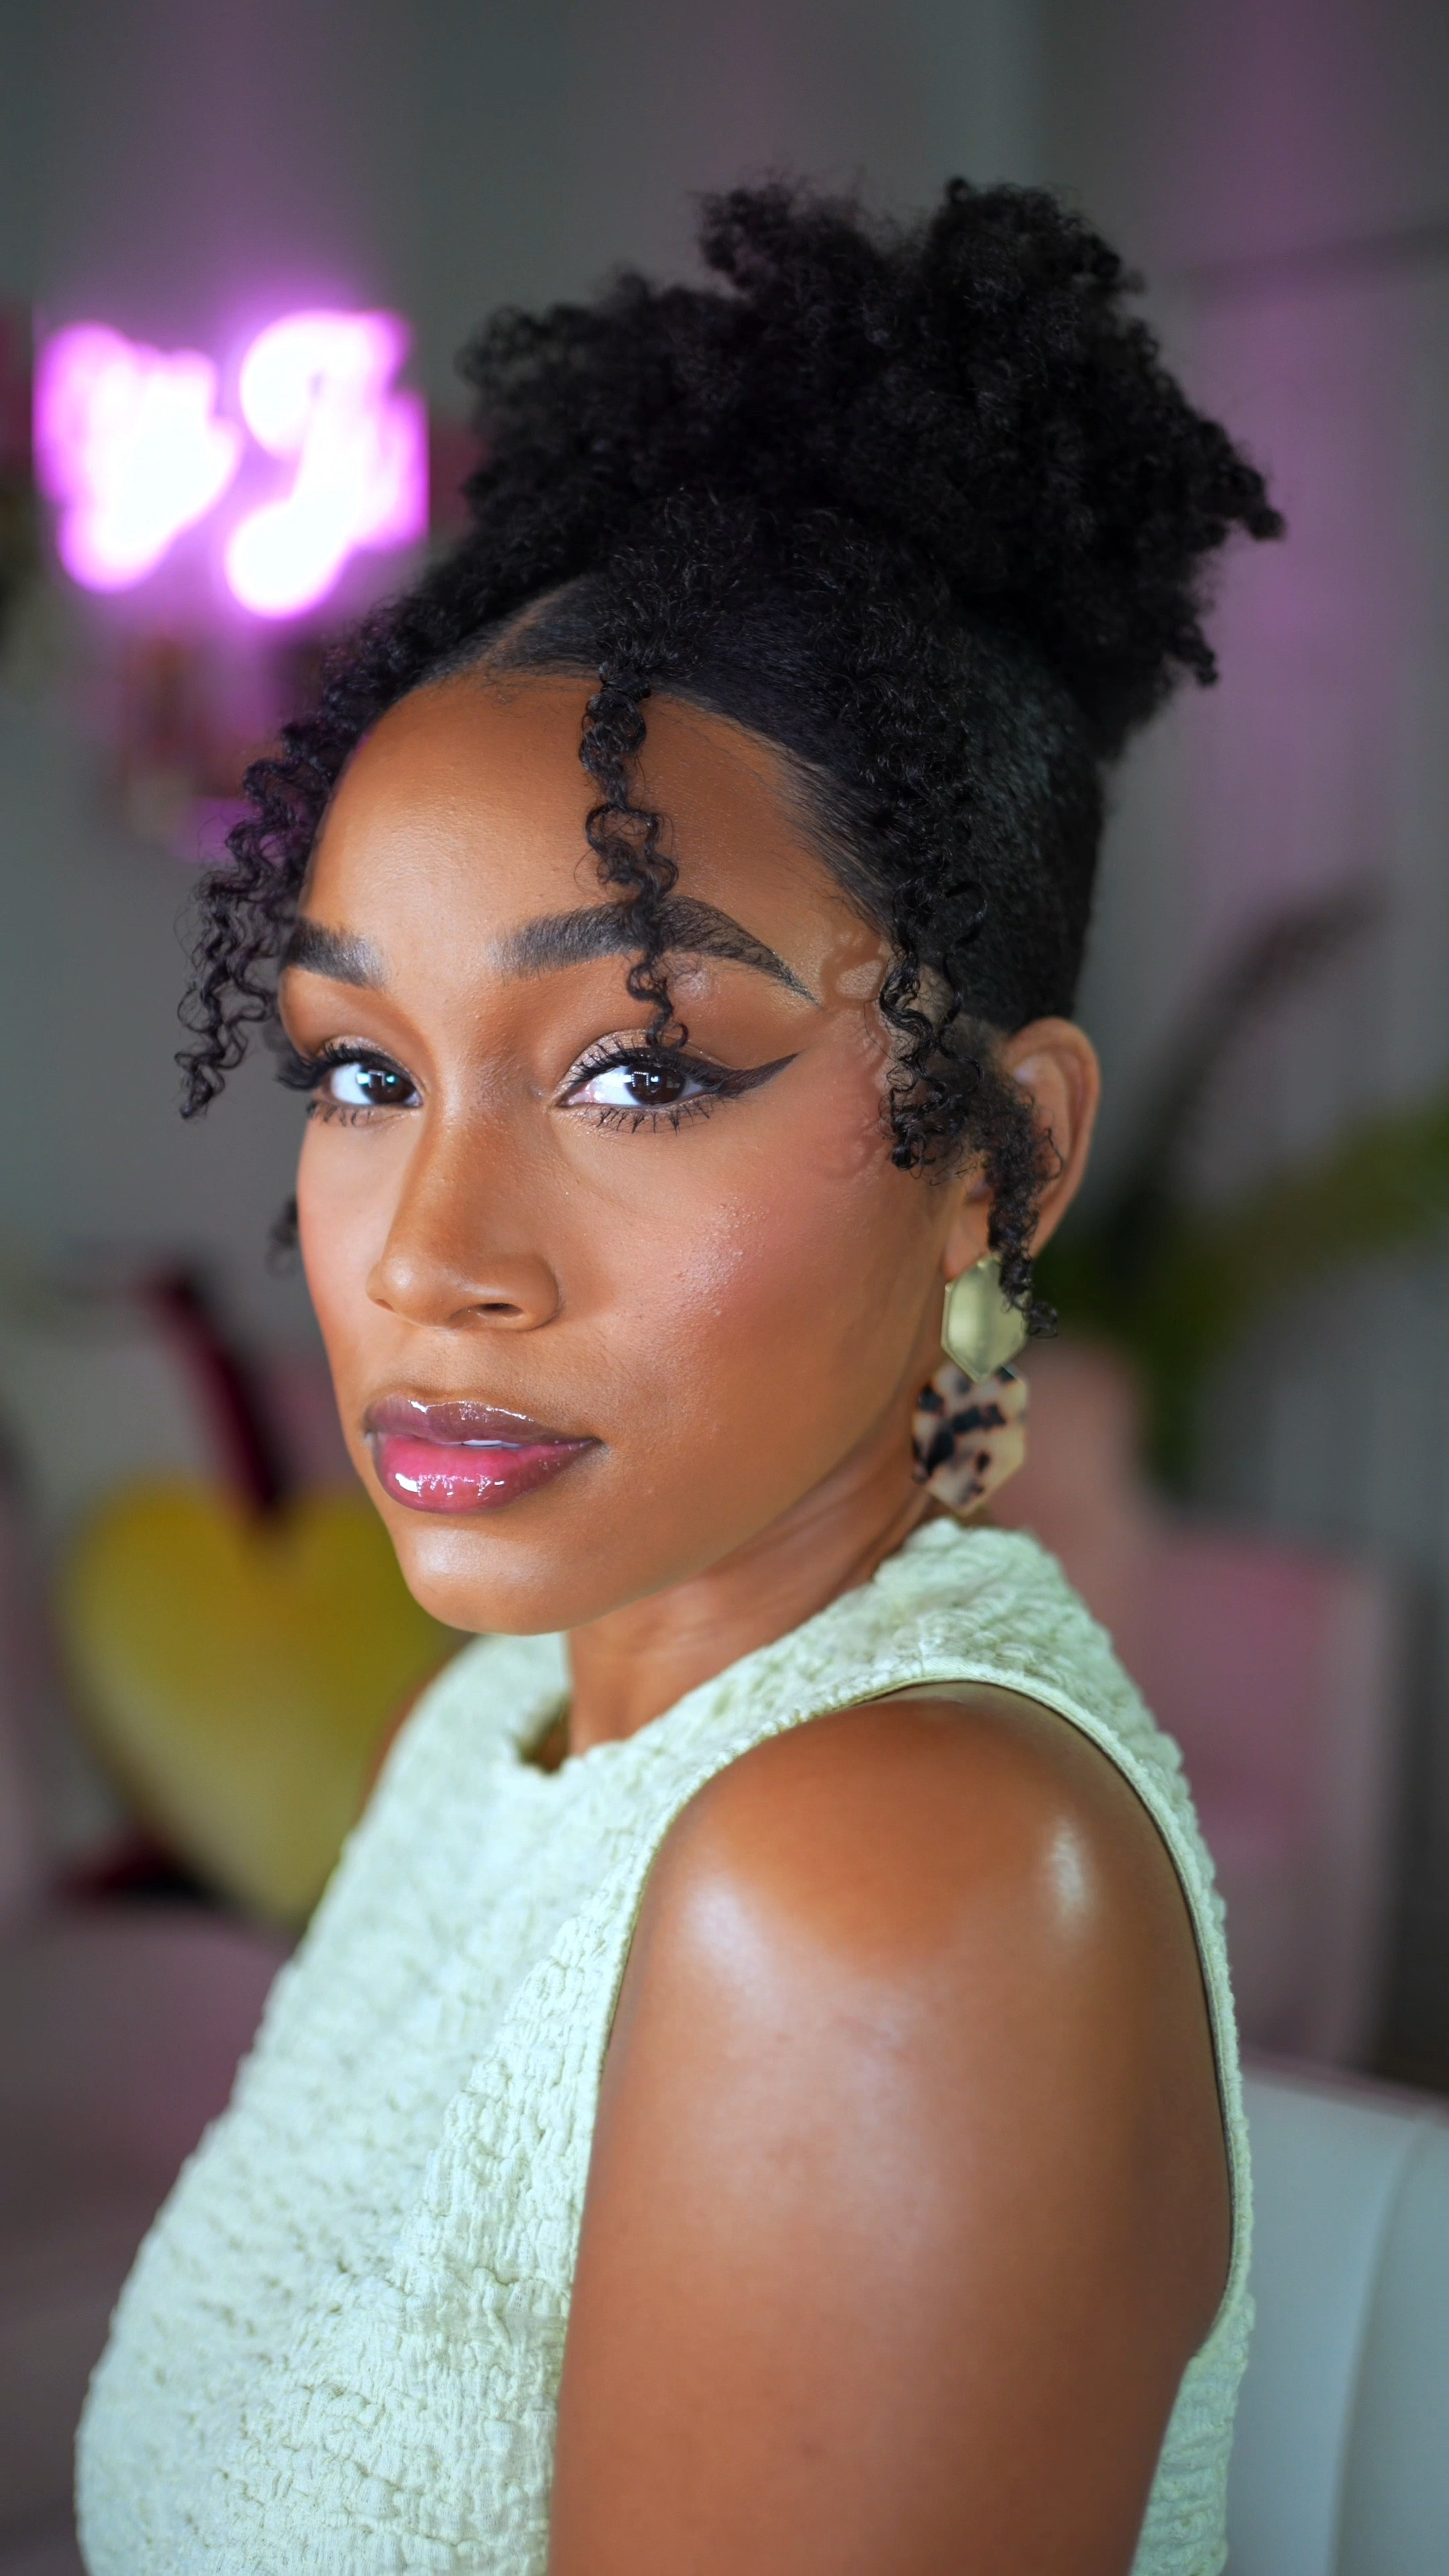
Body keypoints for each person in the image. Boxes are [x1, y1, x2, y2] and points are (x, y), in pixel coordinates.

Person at [77, 179, 1280, 2574]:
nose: (432, 1257)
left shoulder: (892, 1880)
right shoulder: (506, 1708)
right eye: (360, 1069)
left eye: (635, 1074)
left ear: (1002, 1162)